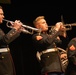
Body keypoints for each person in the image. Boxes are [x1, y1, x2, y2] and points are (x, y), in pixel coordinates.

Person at [0, 5, 22, 75]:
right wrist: (14, 29)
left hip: (5, 61)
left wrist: (17, 30)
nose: (3, 16)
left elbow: (6, 41)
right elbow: (4, 41)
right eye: (1, 14)